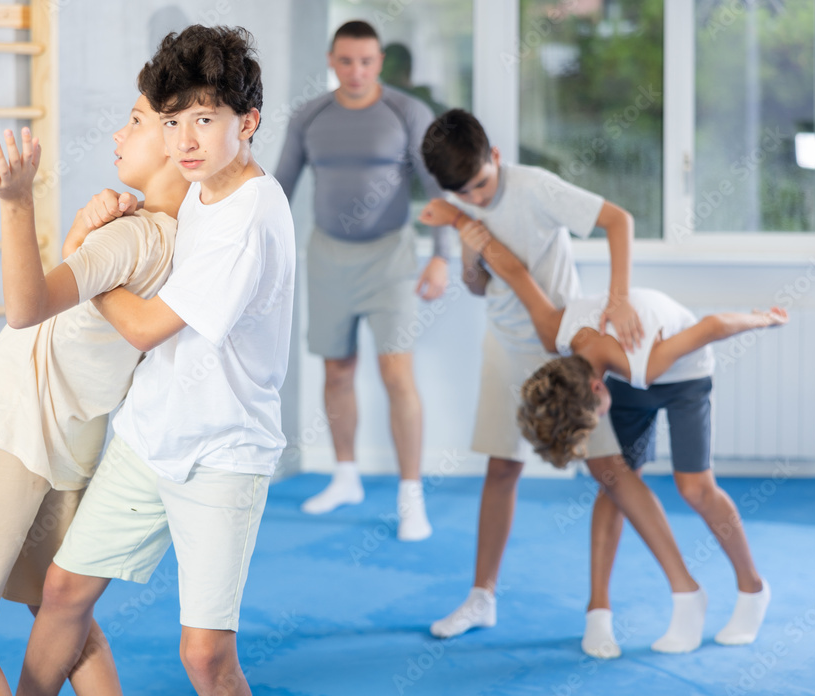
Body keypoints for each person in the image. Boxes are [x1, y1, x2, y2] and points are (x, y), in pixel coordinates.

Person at [15, 26, 294, 696]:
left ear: (247, 122)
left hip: (223, 452)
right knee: (63, 590)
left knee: (204, 657)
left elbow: (143, 328)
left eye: (204, 120)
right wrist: (120, 207)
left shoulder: (251, 217)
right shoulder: (201, 187)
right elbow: (160, 222)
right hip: (149, 435)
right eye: (172, 123)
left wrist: (91, 262)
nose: (185, 142)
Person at [0, 85, 189, 696]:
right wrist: (77, 241)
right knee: (62, 618)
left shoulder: (129, 237)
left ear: (177, 139)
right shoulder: (183, 240)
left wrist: (15, 201)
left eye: (135, 120)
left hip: (8, 432)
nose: (118, 134)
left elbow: (26, 306)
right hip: (71, 452)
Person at [428, 197, 781, 655]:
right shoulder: (552, 329)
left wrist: (764, 319)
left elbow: (713, 325)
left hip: (684, 374)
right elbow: (513, 272)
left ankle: (753, 590)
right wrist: (459, 219)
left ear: (596, 391)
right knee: (613, 483)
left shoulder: (647, 361)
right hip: (625, 376)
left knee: (695, 489)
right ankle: (600, 612)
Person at [417, 108, 643, 639]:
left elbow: (619, 220)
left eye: (479, 185)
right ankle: (481, 597)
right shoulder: (461, 209)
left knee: (609, 472)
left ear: (494, 157)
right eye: (461, 195)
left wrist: (620, 300)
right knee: (502, 468)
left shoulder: (535, 187)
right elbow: (479, 287)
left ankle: (599, 612)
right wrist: (472, 261)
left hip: (569, 344)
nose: (474, 199)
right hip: (505, 345)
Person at [275, 20, 452, 541]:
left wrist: (443, 256)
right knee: (337, 372)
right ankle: (346, 476)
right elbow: (278, 188)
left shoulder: (406, 111)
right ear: (332, 60)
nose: (357, 72)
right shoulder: (310, 116)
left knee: (398, 375)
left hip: (390, 257)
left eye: (367, 62)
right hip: (327, 256)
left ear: (379, 63)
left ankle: (410, 497)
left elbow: (438, 185)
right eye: (347, 61)